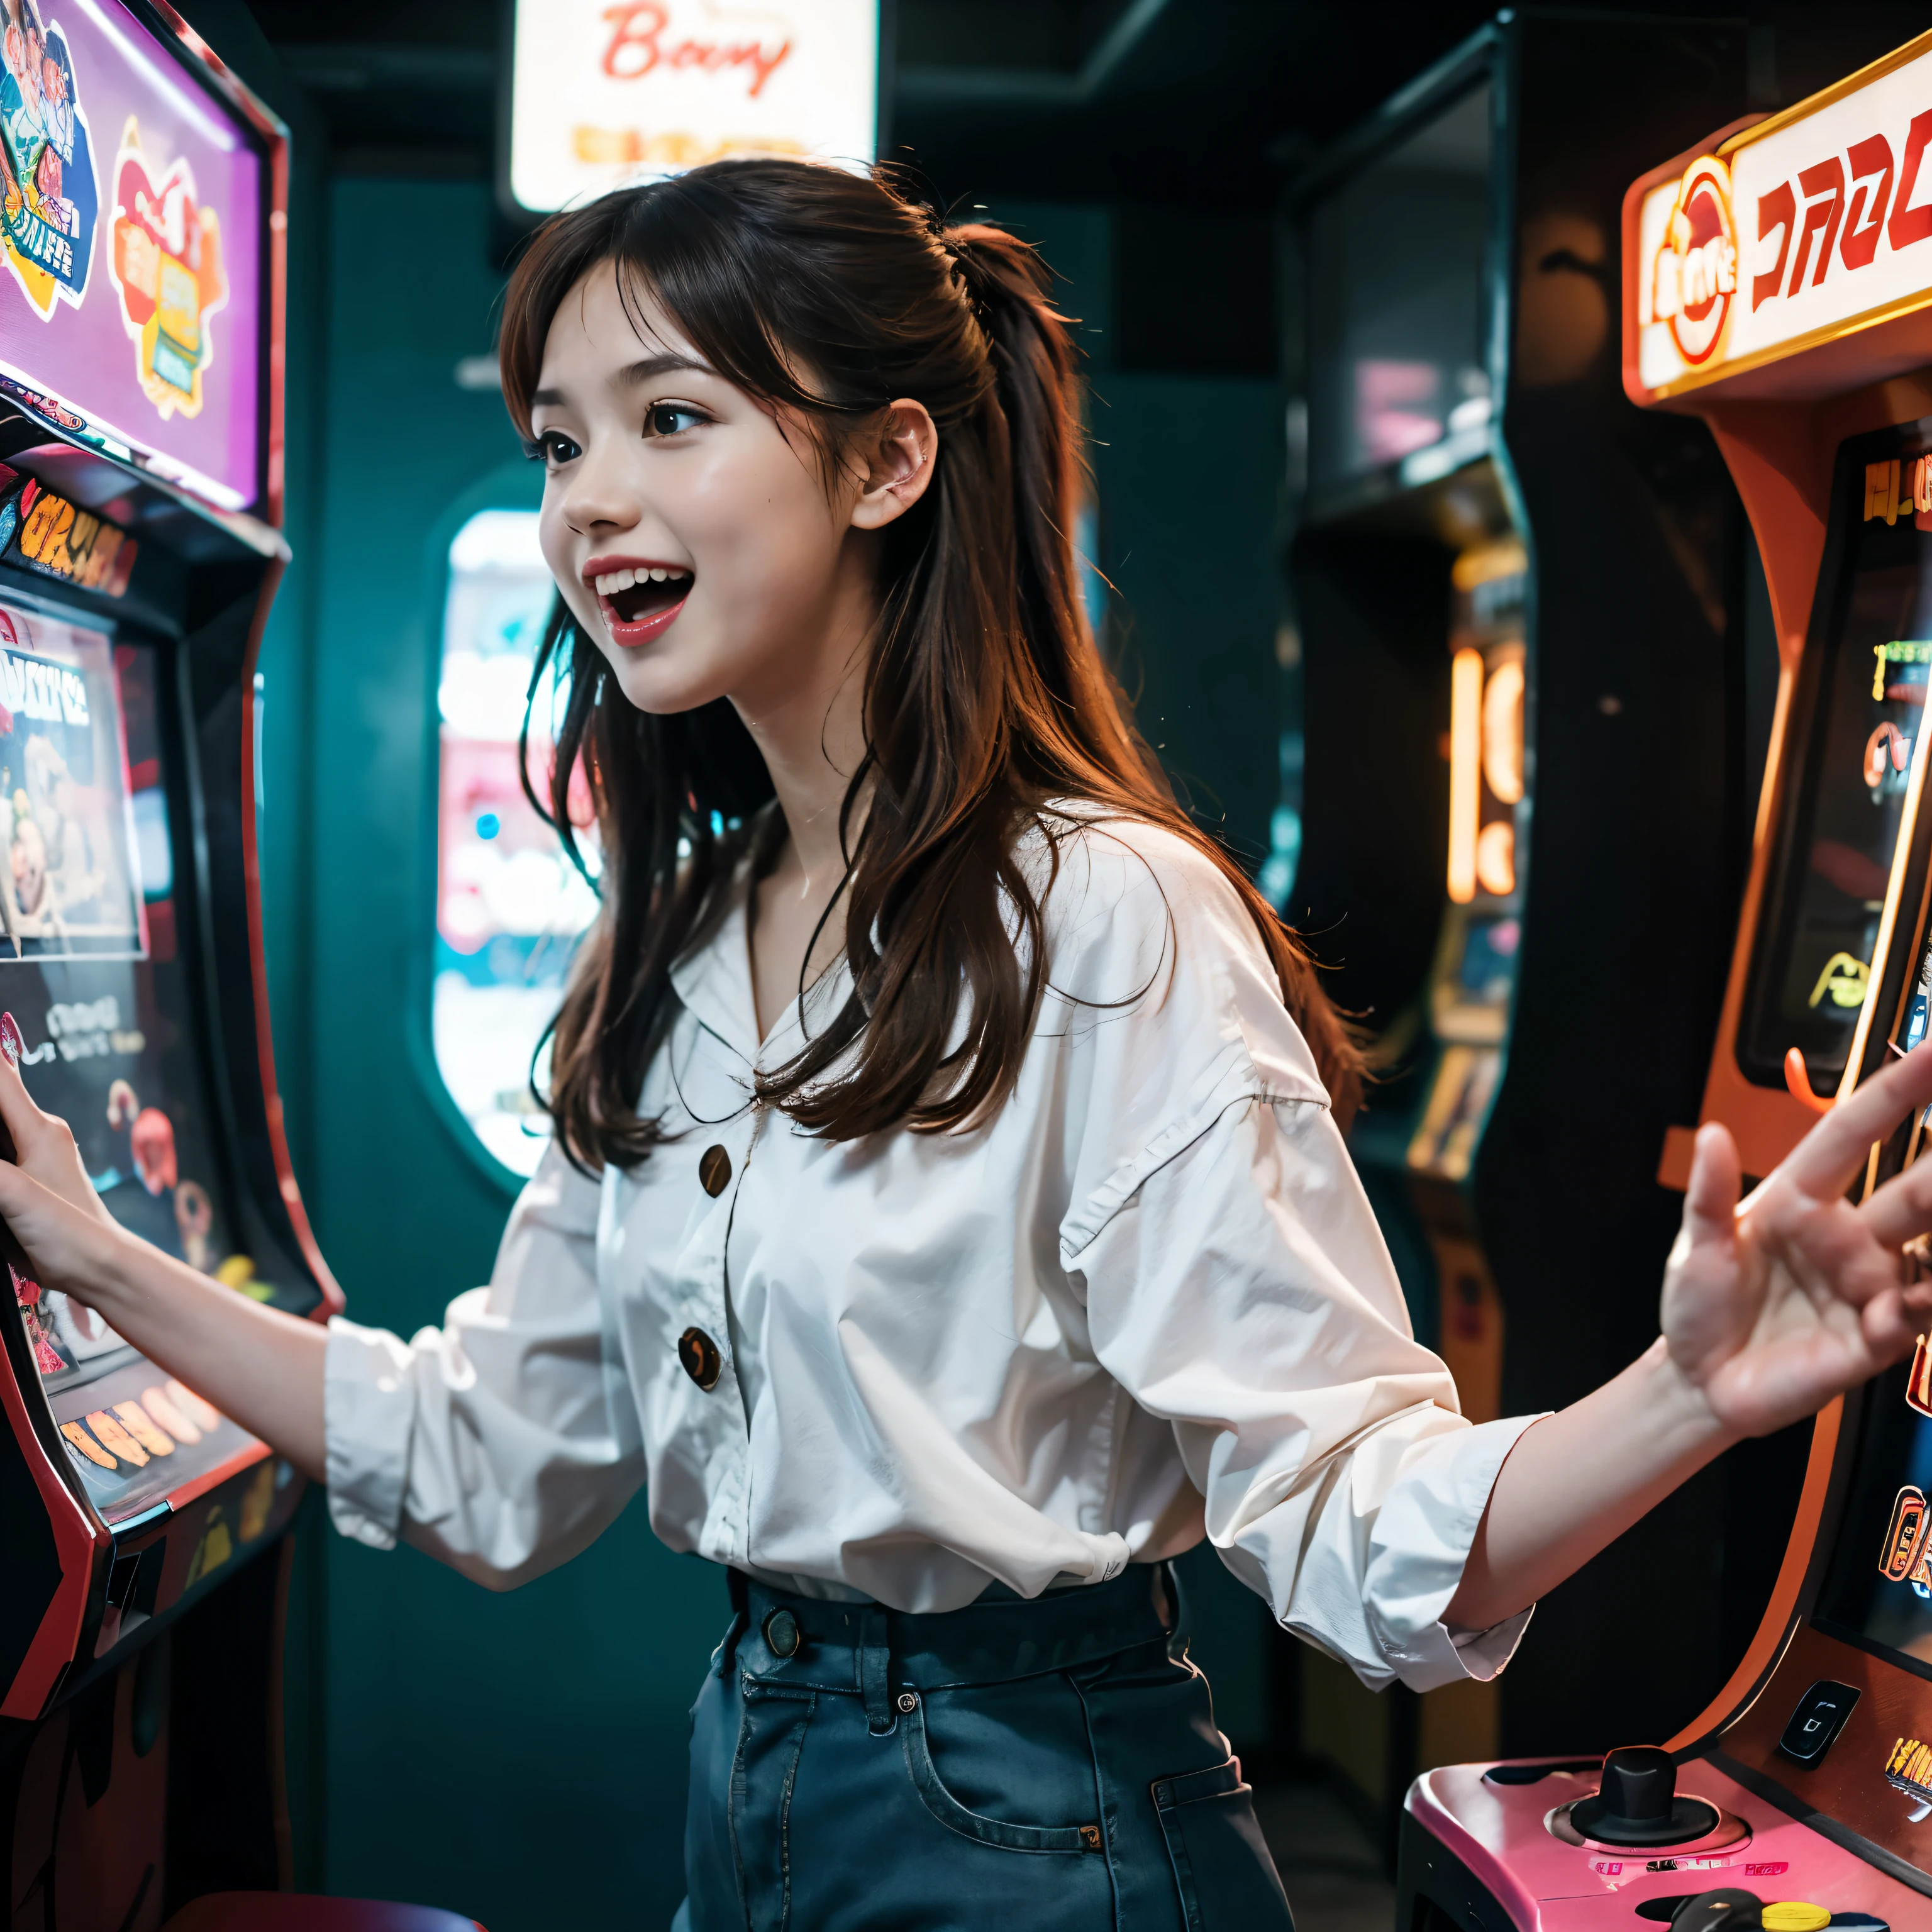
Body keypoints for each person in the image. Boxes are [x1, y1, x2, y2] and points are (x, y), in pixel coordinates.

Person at [1, 158, 1930, 1929]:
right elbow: (490, 1460)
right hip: (742, 1788)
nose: (590, 498)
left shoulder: (1102, 917)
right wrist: (92, 1251)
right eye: (559, 440)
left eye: (673, 418)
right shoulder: (664, 948)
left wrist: (1688, 1395)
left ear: (888, 461)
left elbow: (1355, 1518)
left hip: (1046, 1825)